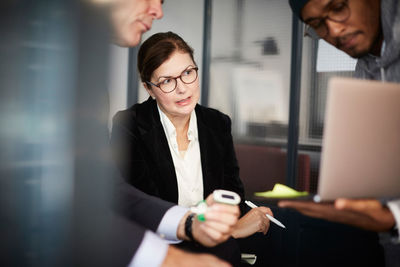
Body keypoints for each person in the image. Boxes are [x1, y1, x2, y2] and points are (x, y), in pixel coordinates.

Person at [110, 31, 274, 266]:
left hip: (218, 254)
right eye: (167, 81)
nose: (182, 88)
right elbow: (140, 211)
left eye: (188, 73)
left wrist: (237, 220)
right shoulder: (130, 124)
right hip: (162, 257)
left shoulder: (217, 123)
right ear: (149, 88)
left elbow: (232, 196)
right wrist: (232, 230)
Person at [281, 0, 400, 263]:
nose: (333, 31)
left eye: (337, 8)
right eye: (317, 25)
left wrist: (394, 215)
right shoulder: (365, 71)